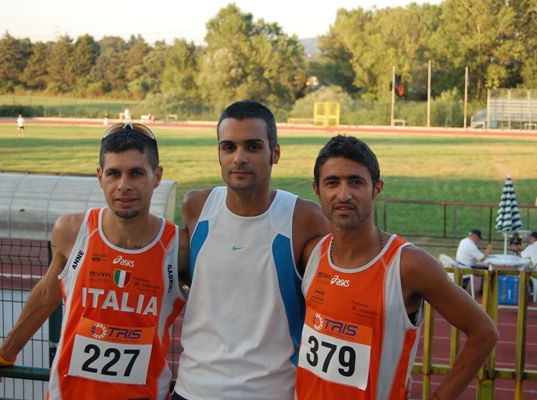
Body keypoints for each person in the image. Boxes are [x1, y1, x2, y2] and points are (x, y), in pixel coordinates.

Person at [0, 122, 187, 400]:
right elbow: (47, 295)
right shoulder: (73, 231)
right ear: (100, 177)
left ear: (156, 176)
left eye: (136, 173)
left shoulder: (177, 247)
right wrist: (5, 353)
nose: (124, 185)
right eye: (114, 173)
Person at [295, 135, 498, 399]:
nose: (343, 194)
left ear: (377, 188)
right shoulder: (313, 253)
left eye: (356, 182)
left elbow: (484, 332)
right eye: (332, 182)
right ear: (317, 189)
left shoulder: (408, 265)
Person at [173, 100, 329, 400]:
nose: (239, 158)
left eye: (253, 146)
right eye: (228, 147)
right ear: (218, 153)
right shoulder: (196, 207)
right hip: (193, 389)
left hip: (271, 392)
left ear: (276, 153)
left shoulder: (304, 218)